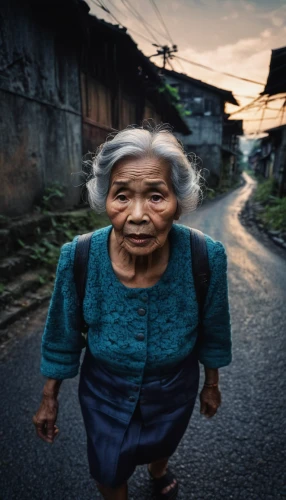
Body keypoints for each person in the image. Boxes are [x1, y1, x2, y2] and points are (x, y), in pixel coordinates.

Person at [33, 125, 232, 500]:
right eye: (121, 196)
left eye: (156, 196)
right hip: (105, 391)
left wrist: (212, 383)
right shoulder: (77, 257)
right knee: (108, 467)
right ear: (105, 198)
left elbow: (214, 327)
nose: (137, 215)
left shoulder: (206, 257)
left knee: (162, 443)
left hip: (174, 389)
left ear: (178, 202)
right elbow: (62, 334)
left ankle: (159, 468)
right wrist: (49, 397)